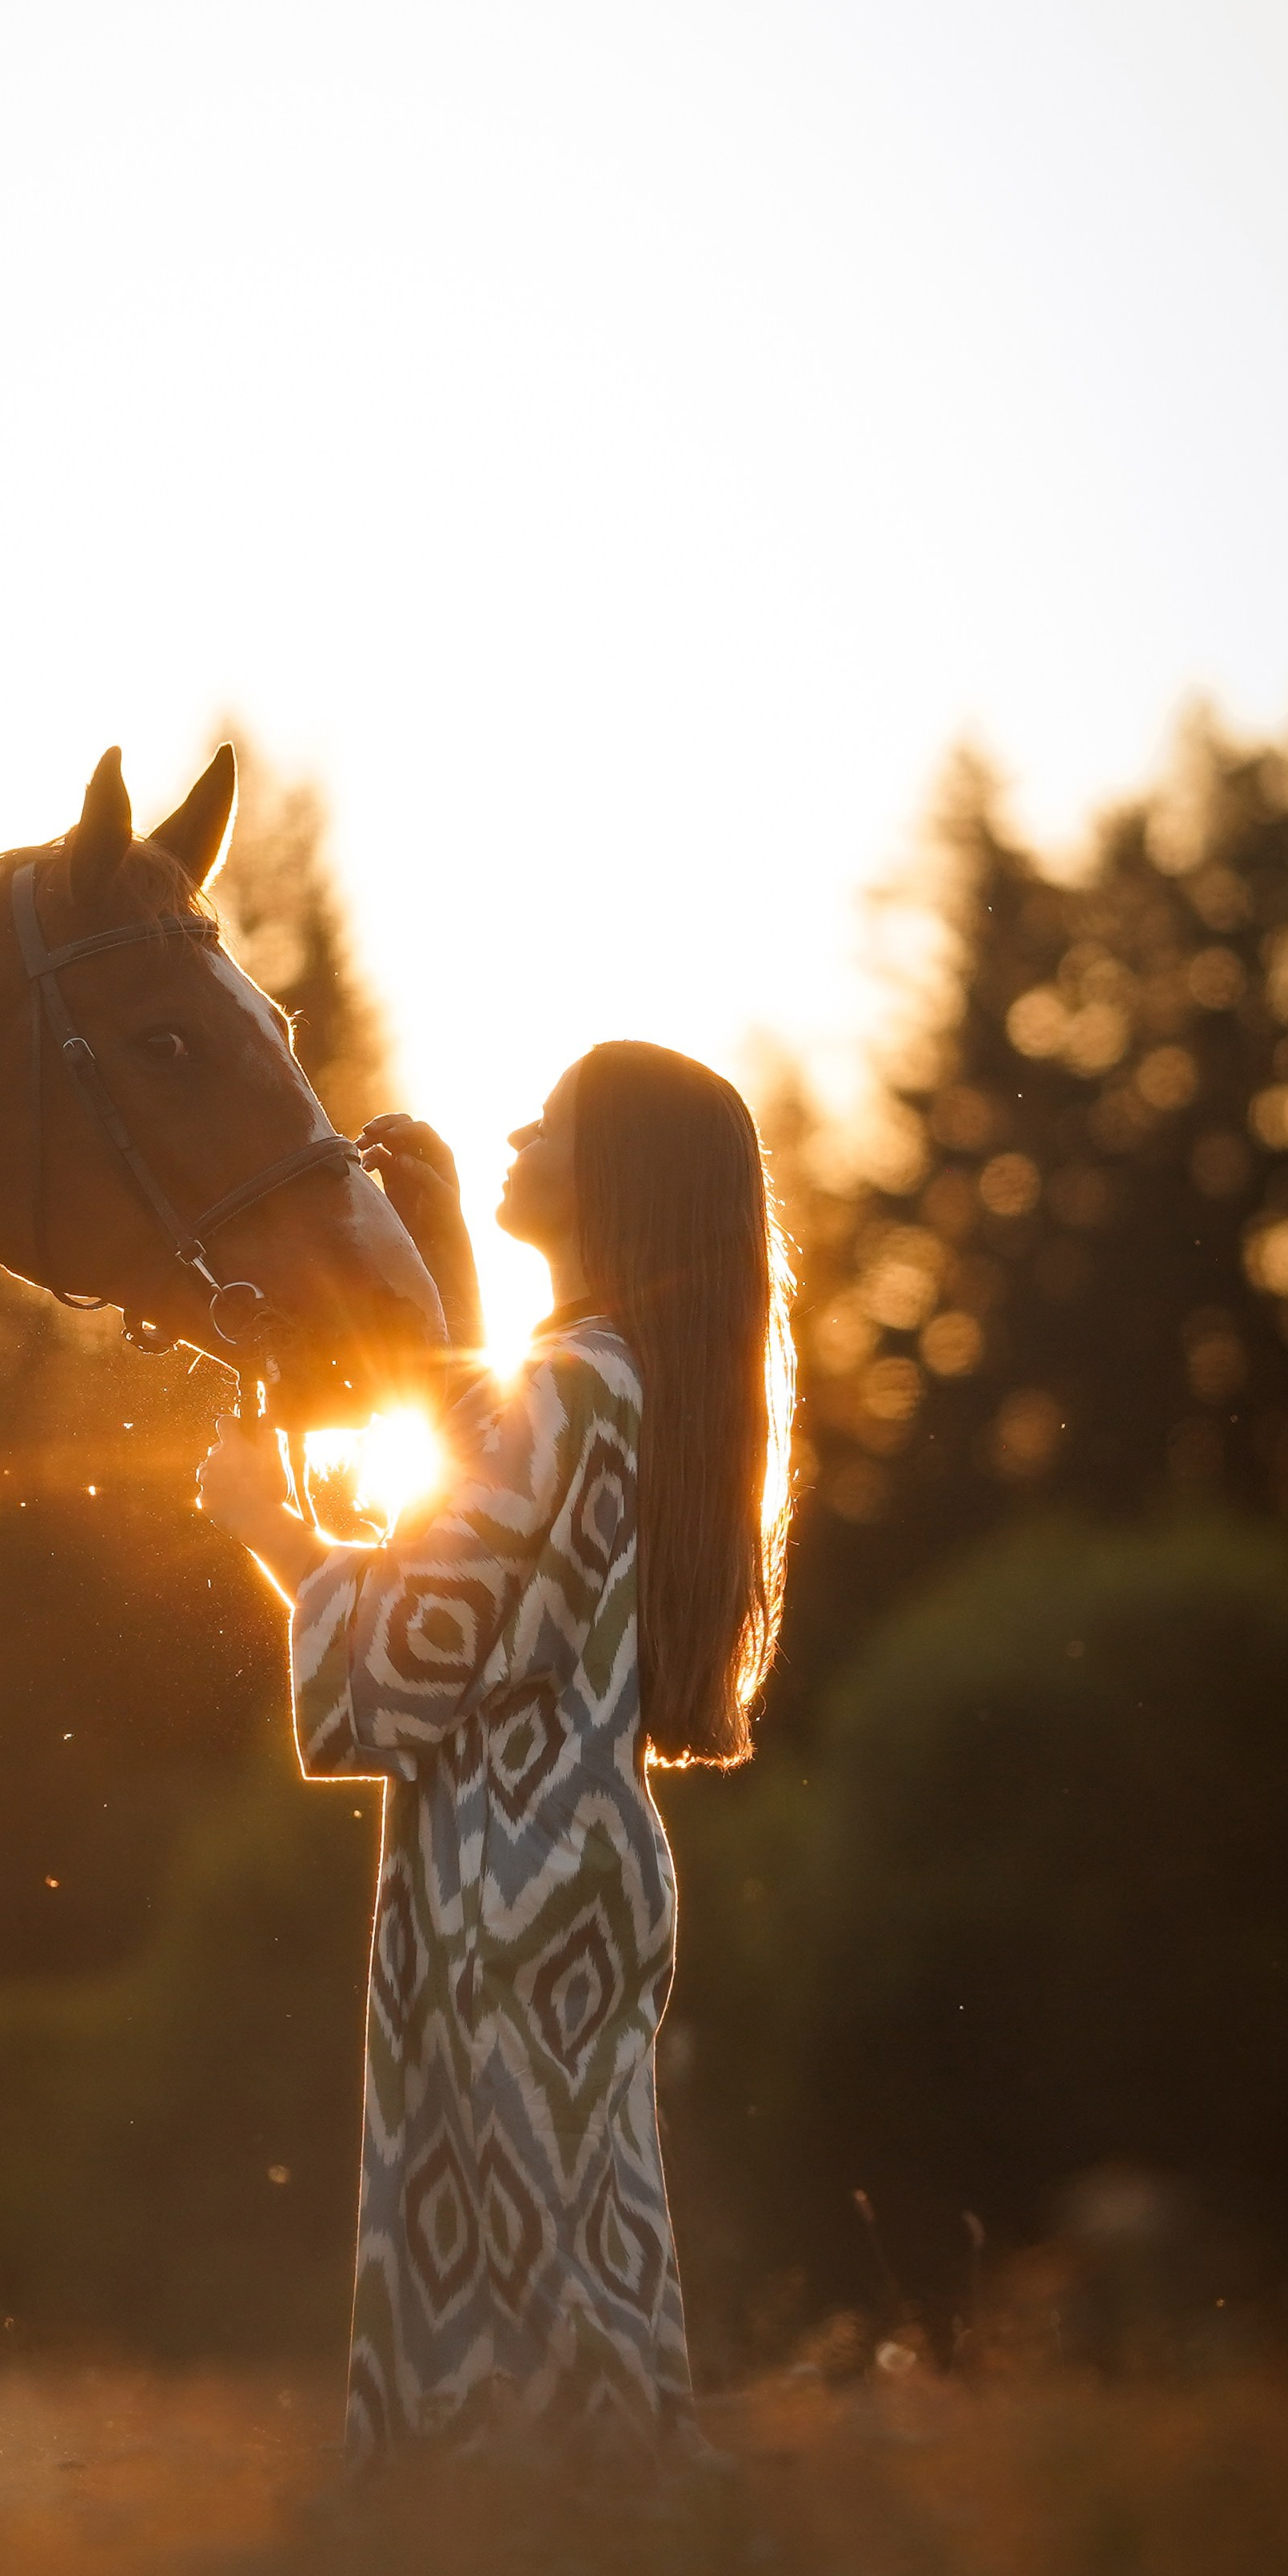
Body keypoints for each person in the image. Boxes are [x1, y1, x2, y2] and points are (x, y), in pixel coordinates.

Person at [197, 1043, 793, 2466]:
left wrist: (260, 1523)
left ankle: (550, 2549)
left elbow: (413, 1652)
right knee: (578, 2233)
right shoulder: (624, 1383)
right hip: (574, 1862)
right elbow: (484, 1573)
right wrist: (451, 1258)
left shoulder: (574, 1390)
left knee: (514, 2271)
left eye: (556, 1121)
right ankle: (597, 2553)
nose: (520, 1127)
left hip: (500, 1885)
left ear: (618, 1179)